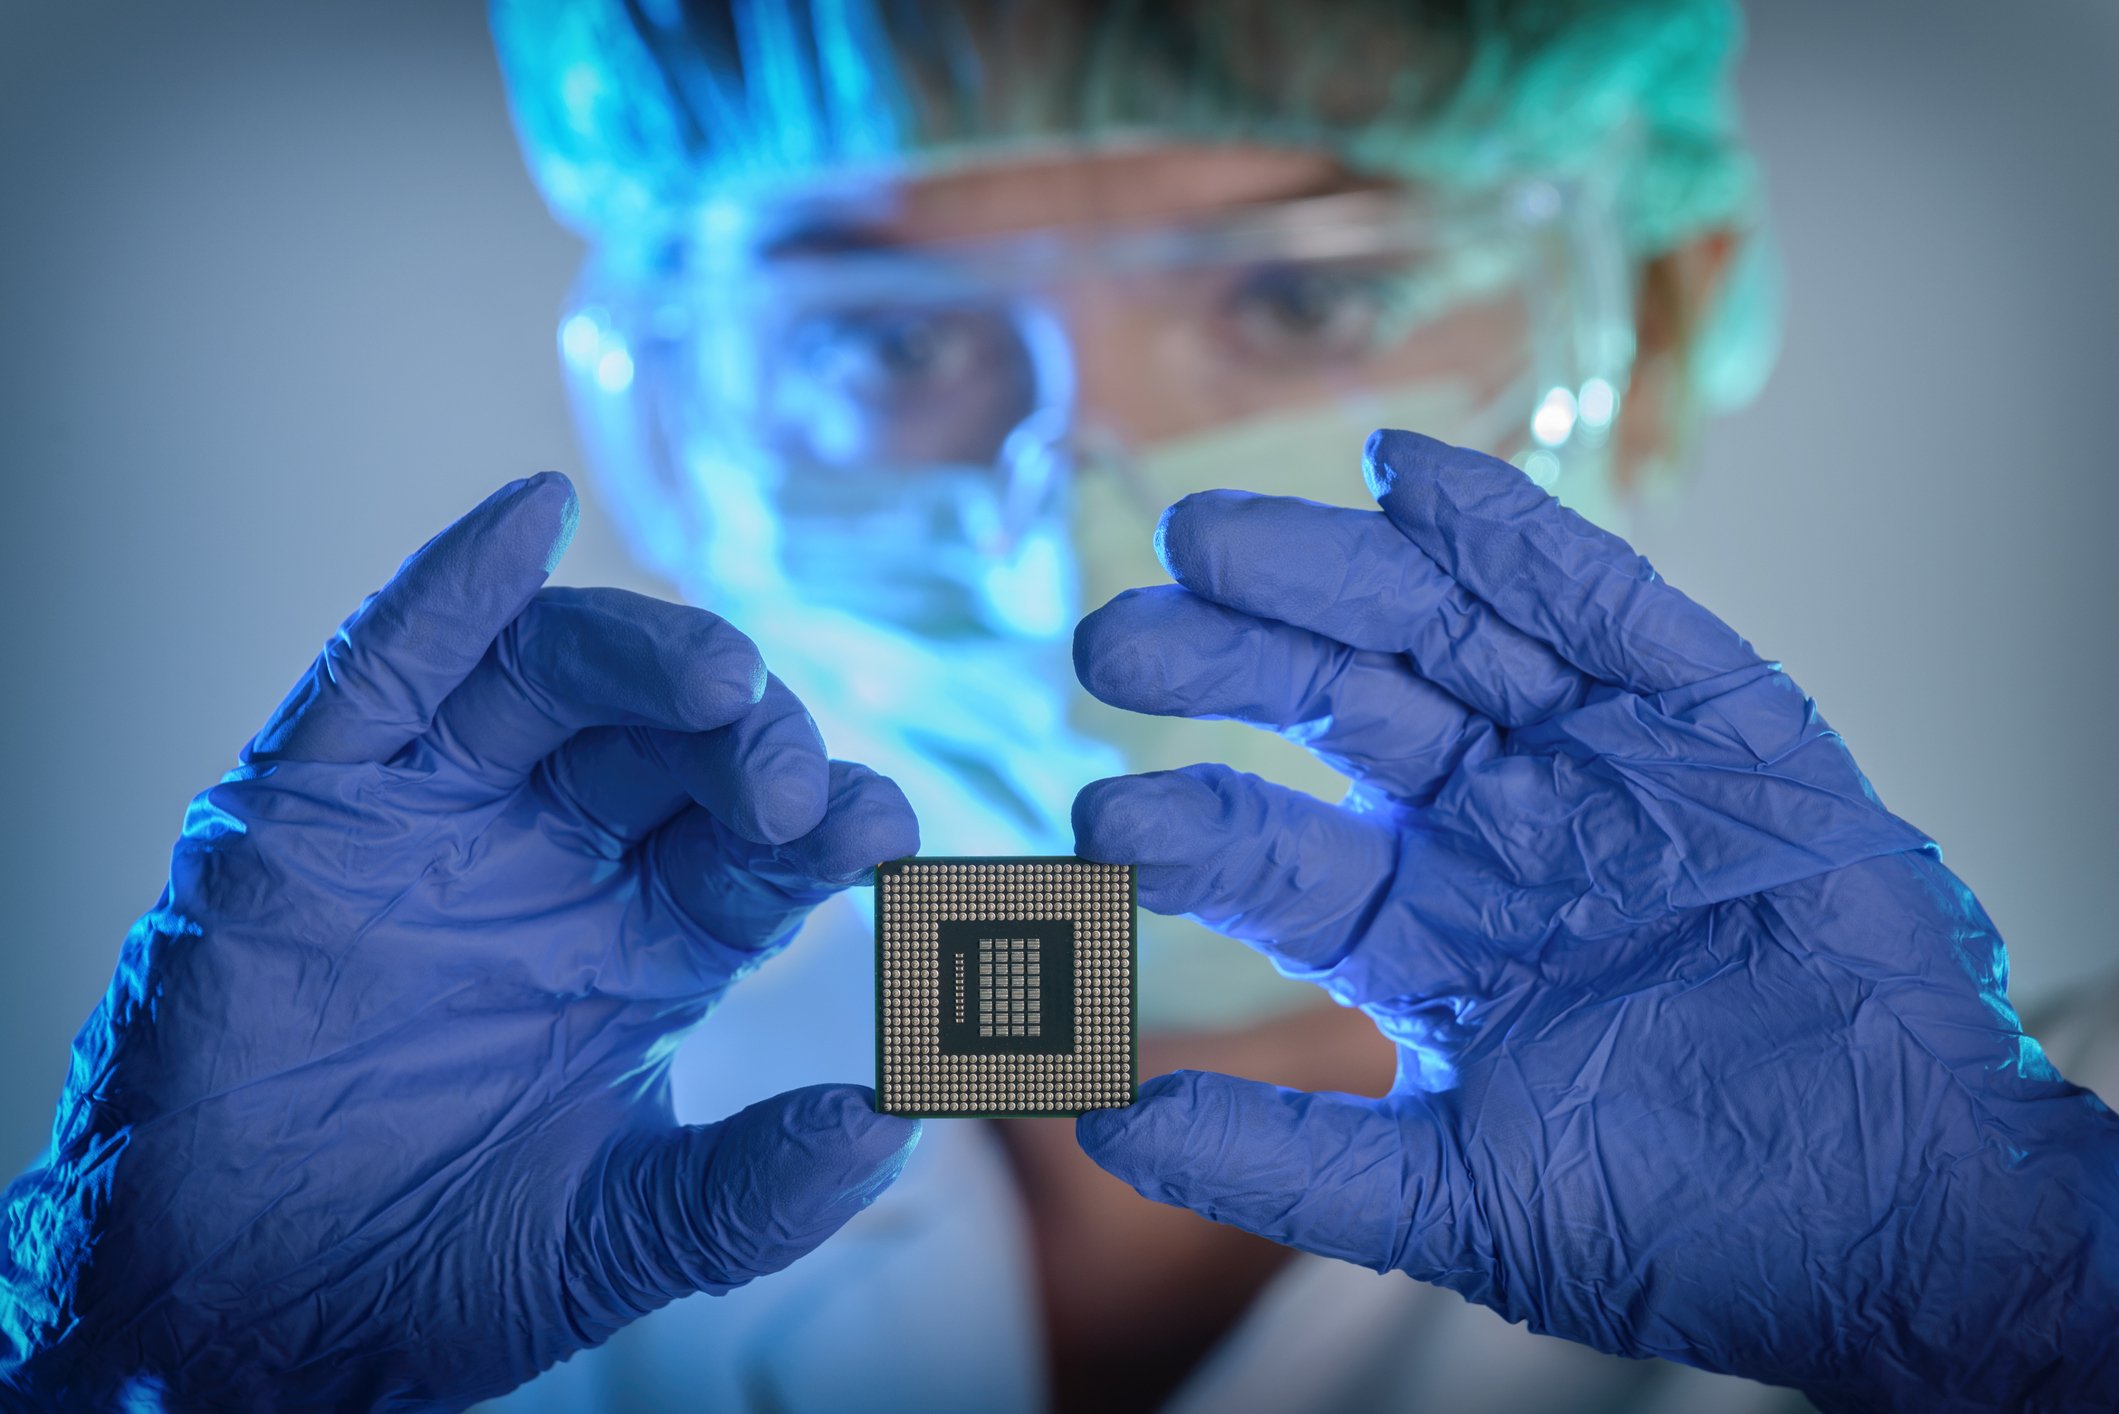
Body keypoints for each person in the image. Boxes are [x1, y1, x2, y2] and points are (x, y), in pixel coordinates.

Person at [2, 2, 2115, 1410]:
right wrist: (121, 1379)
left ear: (1644, 327)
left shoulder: (2044, 1196)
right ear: (676, 399)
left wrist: (2034, 1319)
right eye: (874, 343)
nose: (1067, 537)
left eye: (1308, 294)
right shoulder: (411, 1210)